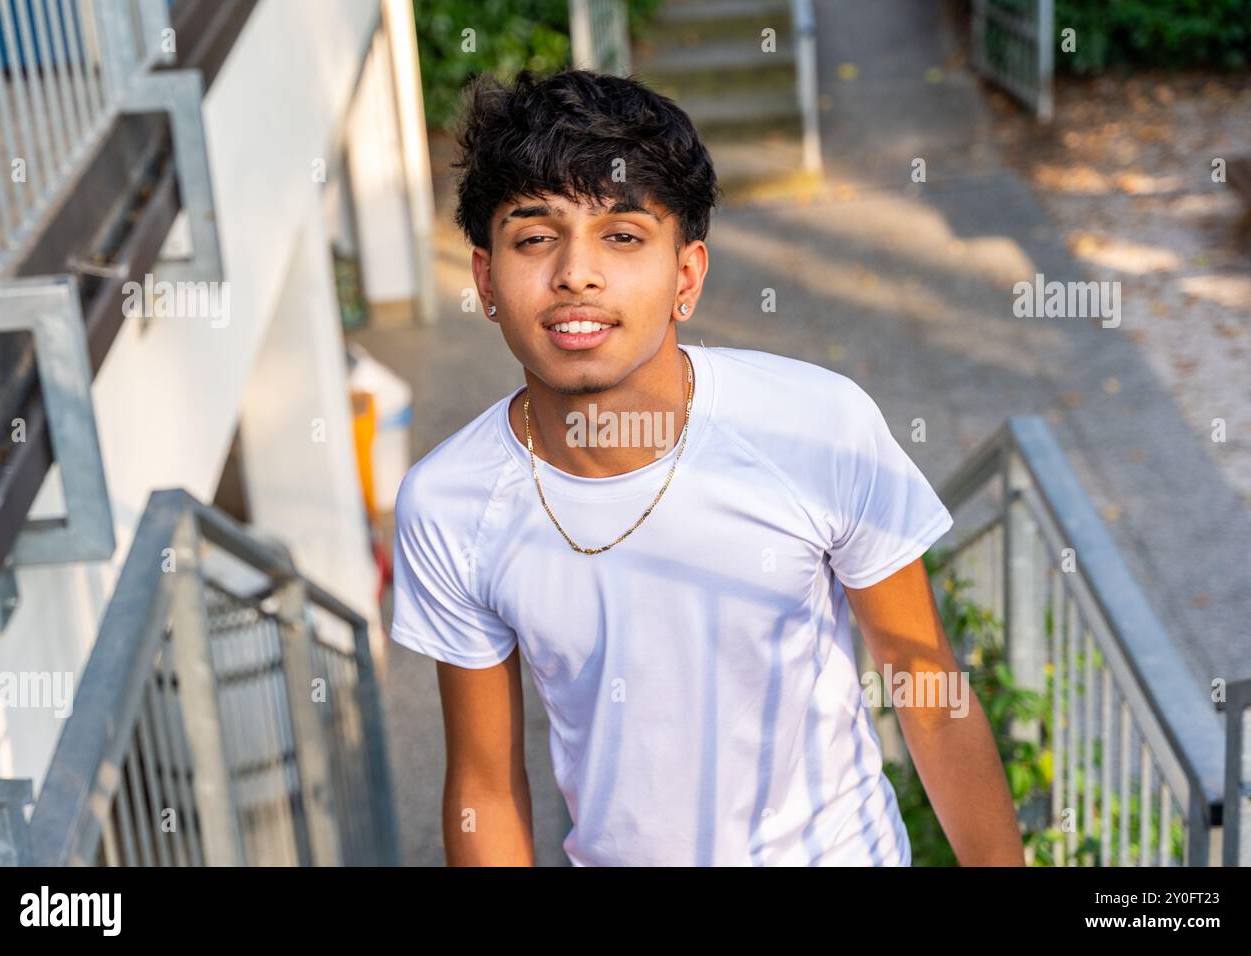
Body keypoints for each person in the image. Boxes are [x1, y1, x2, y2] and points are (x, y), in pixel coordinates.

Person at [391, 67, 1024, 867]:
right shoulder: (448, 504)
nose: (575, 274)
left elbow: (926, 685)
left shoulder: (816, 425)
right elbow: (485, 787)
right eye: (535, 236)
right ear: (485, 279)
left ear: (685, 276)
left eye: (622, 236)